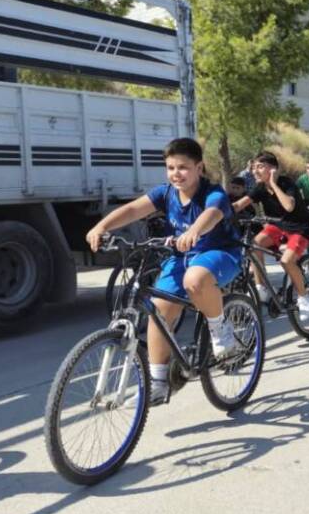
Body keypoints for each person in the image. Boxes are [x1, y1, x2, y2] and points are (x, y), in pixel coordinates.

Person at [85, 138, 243, 406]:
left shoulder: (212, 193)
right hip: (182, 255)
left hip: (220, 252)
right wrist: (102, 226)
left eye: (183, 167)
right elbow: (133, 209)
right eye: (170, 168)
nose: (176, 174)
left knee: (195, 279)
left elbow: (213, 214)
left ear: (199, 167)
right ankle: (158, 382)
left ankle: (220, 329)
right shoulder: (166, 193)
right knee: (158, 310)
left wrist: (194, 231)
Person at [233, 152, 309, 321]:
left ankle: (304, 296)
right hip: (278, 227)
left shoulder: (286, 183)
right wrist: (217, 213)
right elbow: (238, 205)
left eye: (260, 167)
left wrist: (272, 183)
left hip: (299, 228)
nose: (255, 171)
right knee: (253, 245)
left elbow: (289, 206)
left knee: (286, 261)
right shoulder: (259, 187)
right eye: (254, 167)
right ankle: (261, 287)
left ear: (273, 169)